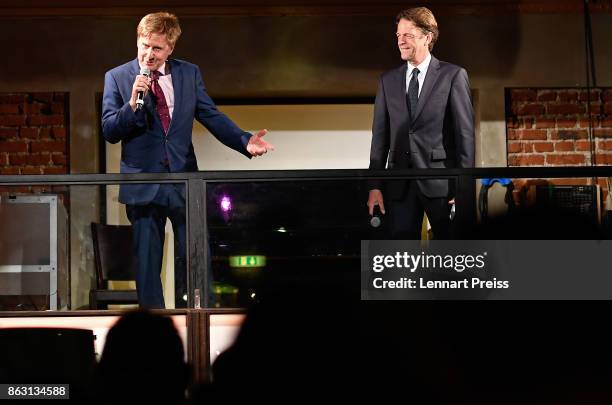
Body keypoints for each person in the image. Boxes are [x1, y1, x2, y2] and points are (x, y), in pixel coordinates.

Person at [102, 12, 273, 309]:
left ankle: (199, 317)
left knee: (196, 255)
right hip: (143, 183)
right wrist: (131, 105)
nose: (149, 54)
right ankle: (154, 327)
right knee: (147, 262)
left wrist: (244, 140)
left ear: (170, 48)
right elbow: (109, 130)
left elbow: (210, 115)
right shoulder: (117, 77)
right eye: (144, 45)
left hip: (184, 181)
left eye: (157, 48)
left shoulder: (188, 73)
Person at [367, 7, 474, 240]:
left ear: (428, 37)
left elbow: (465, 137)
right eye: (398, 35)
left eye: (408, 35)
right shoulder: (387, 81)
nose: (401, 41)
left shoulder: (453, 76)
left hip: (442, 185)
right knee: (400, 261)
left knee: (453, 257)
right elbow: (380, 138)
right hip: (399, 185)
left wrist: (463, 189)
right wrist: (374, 185)